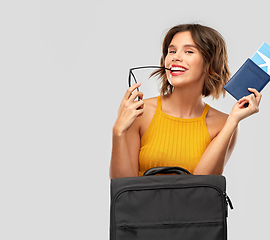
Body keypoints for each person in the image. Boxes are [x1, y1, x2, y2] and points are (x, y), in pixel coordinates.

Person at [110, 23, 261, 179]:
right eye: (172, 51)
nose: (175, 57)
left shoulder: (224, 124)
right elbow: (123, 188)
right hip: (142, 204)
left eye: (189, 51)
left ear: (208, 64)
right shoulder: (140, 112)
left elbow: (203, 185)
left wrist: (233, 121)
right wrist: (118, 132)